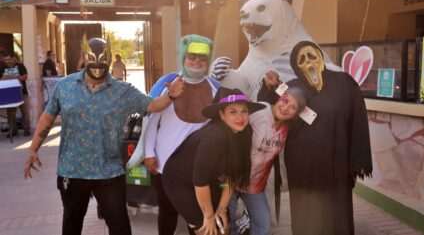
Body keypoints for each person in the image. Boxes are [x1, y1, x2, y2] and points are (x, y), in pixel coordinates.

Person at [22, 37, 185, 235]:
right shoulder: (65, 86)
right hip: (72, 171)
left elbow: (152, 104)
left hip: (109, 172)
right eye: (92, 58)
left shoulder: (122, 90)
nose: (98, 65)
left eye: (103, 59)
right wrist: (33, 149)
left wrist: (171, 96)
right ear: (84, 58)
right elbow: (47, 118)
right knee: (72, 222)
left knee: (119, 226)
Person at [258, 41, 372, 235]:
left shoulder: (344, 83)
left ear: (320, 56)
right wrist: (268, 87)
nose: (308, 62)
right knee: (306, 211)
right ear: (295, 66)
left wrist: (359, 157)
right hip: (302, 165)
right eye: (301, 59)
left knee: (337, 210)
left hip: (337, 161)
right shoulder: (290, 87)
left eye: (311, 55)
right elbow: (272, 107)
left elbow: (358, 119)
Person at [162, 87, 266, 235]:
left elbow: (231, 177)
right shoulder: (214, 138)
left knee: (224, 225)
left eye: (244, 111)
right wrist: (209, 216)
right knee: (208, 229)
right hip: (180, 181)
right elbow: (200, 181)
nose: (240, 117)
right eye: (233, 111)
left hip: (208, 179)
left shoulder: (244, 133)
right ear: (221, 115)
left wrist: (222, 208)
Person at [143, 34, 218, 235]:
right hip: (164, 163)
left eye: (202, 58)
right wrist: (149, 152)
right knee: (167, 212)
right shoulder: (168, 83)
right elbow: (151, 119)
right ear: (184, 57)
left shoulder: (214, 87)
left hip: (198, 167)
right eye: (192, 56)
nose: (196, 62)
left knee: (196, 213)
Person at [228, 70, 306, 235]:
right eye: (285, 101)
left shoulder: (287, 128)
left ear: (295, 114)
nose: (285, 108)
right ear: (279, 98)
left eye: (292, 108)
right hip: (231, 179)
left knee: (263, 225)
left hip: (255, 185)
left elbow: (311, 118)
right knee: (229, 222)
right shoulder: (259, 111)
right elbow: (232, 122)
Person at [0, 52, 31, 137]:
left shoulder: (20, 66)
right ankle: (13, 131)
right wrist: (4, 78)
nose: (7, 61)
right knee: (10, 113)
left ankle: (27, 130)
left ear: (13, 58)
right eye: (5, 60)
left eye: (9, 59)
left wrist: (13, 78)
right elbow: (1, 80)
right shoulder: (3, 68)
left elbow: (25, 77)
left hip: (22, 93)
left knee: (25, 112)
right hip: (10, 94)